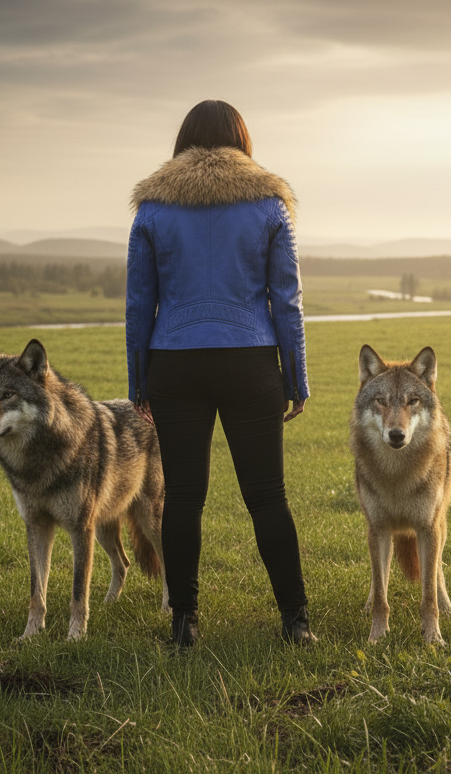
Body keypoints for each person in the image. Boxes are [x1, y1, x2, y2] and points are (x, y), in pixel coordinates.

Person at [126, 100, 315, 648]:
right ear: (241, 140)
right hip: (250, 362)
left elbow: (140, 303)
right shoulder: (269, 203)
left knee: (183, 497)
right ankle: (296, 623)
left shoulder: (154, 209)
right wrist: (295, 379)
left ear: (183, 141)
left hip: (174, 362)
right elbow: (288, 301)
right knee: (268, 496)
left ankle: (184, 624)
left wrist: (138, 379)